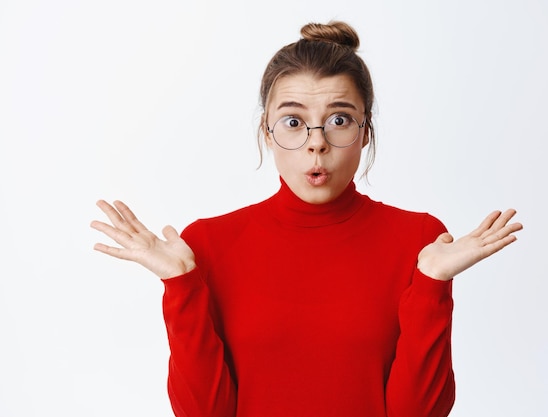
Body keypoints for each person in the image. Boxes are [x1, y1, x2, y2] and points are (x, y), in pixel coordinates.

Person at [91, 21, 522, 417]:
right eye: (294, 121)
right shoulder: (207, 243)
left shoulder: (421, 241)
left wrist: (431, 284)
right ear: (267, 131)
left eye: (339, 120)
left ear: (365, 131)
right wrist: (181, 284)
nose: (317, 145)